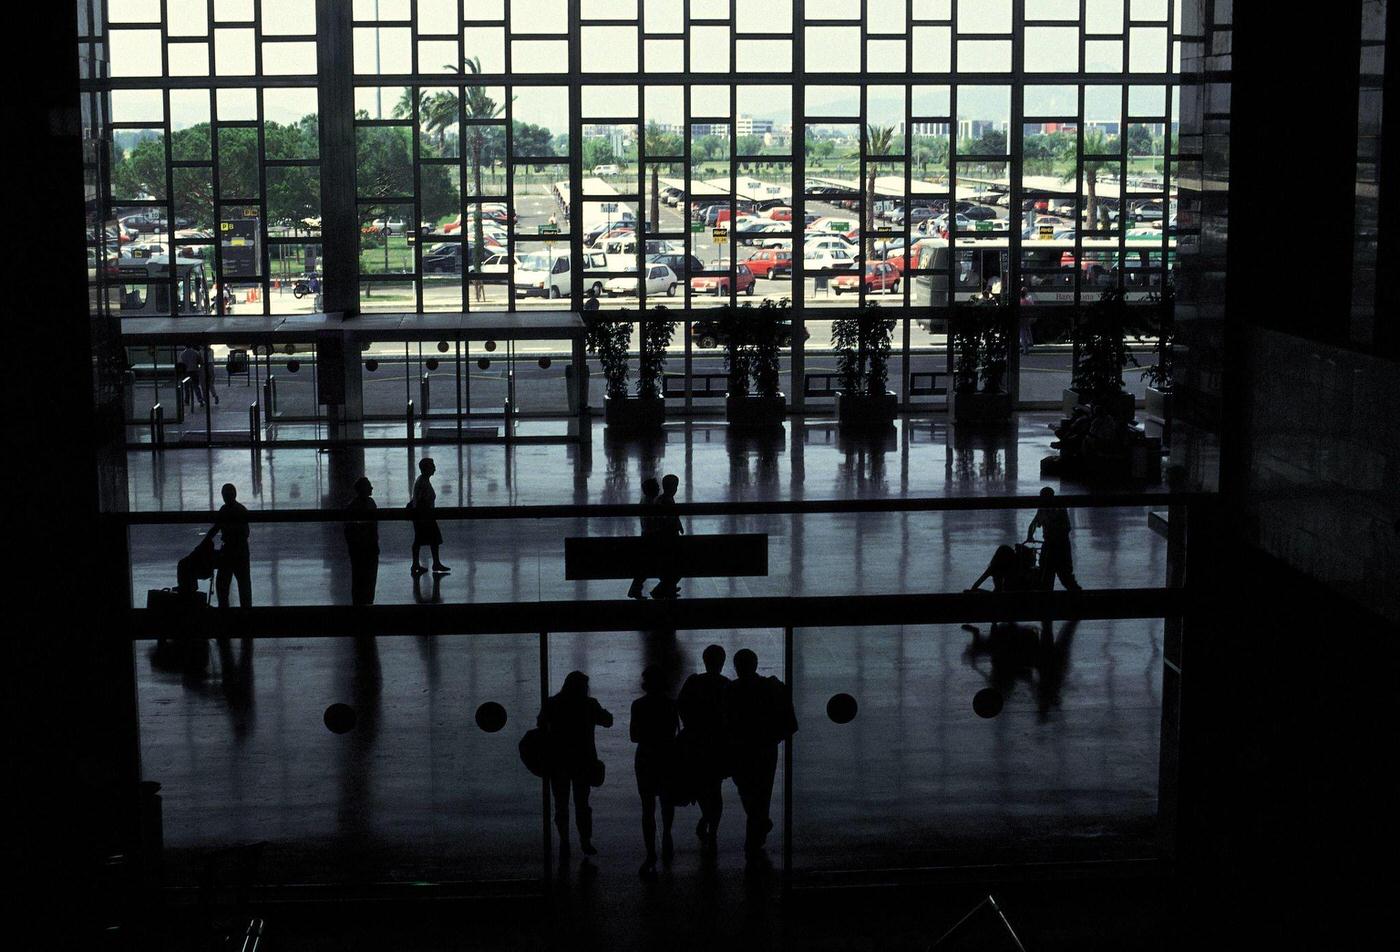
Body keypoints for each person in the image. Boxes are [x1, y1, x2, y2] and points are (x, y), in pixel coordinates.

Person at [724, 649, 797, 856]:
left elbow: (726, 721)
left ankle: (757, 829)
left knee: (747, 791)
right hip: (764, 749)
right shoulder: (770, 687)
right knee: (762, 792)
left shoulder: (730, 690)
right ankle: (757, 830)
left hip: (740, 750)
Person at [539, 671, 614, 857]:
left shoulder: (552, 703)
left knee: (561, 804)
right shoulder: (589, 705)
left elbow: (541, 724)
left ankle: (564, 840)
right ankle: (585, 840)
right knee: (582, 804)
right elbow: (608, 721)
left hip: (558, 761)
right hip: (583, 760)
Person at [677, 644, 731, 848]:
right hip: (717, 744)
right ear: (722, 662)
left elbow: (681, 705)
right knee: (715, 788)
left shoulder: (694, 682)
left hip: (695, 741)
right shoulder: (726, 684)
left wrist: (690, 726)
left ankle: (707, 817)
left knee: (701, 785)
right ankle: (712, 826)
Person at [630, 665, 679, 877]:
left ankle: (651, 852)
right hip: (667, 756)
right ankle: (667, 834)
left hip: (646, 758)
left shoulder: (638, 705)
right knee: (667, 801)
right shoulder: (671, 705)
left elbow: (634, 736)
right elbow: (673, 732)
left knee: (647, 806)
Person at [1026, 487, 1082, 592]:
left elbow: (1034, 523)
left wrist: (1030, 536)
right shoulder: (1058, 508)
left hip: (1054, 546)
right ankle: (1077, 595)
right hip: (1060, 545)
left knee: (1047, 575)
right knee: (1063, 575)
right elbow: (1066, 528)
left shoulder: (1045, 509)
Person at [209, 483, 251, 608]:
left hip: (228, 551)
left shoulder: (224, 510)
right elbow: (245, 532)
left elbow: (216, 528)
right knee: (244, 585)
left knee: (222, 585)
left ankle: (224, 610)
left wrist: (206, 541)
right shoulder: (241, 510)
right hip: (241, 551)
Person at [409, 457, 450, 576]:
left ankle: (419, 564)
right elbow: (422, 500)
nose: (435, 469)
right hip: (425, 516)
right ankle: (432, 563)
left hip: (423, 515)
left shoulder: (422, 480)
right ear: (427, 469)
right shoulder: (423, 483)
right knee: (431, 540)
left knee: (425, 540)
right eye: (432, 466)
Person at [344, 476, 379, 606]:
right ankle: (368, 602)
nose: (371, 488)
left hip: (359, 548)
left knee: (359, 578)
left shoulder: (352, 506)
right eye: (369, 486)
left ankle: (359, 604)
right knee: (369, 577)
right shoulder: (371, 503)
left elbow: (348, 530)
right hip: (368, 547)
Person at [626, 477, 662, 600]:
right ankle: (665, 585)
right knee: (650, 564)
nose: (659, 489)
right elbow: (654, 522)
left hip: (646, 535)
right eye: (657, 487)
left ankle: (636, 588)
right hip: (651, 536)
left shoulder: (645, 501)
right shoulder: (651, 504)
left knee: (645, 565)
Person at [650, 473, 683, 599]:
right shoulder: (667, 500)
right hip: (667, 538)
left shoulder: (662, 499)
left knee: (669, 568)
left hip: (663, 537)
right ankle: (662, 589)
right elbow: (670, 519)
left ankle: (668, 588)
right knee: (674, 567)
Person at [968, 543, 1039, 593]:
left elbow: (975, 585)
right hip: (1004, 597)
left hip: (999, 597)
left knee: (969, 591)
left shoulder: (994, 567)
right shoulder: (1014, 567)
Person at [177, 343, 205, 407]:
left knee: (186, 388)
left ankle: (187, 401)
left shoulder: (182, 354)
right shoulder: (196, 353)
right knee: (196, 386)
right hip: (194, 371)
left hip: (186, 372)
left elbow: (180, 364)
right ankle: (200, 400)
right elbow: (201, 362)